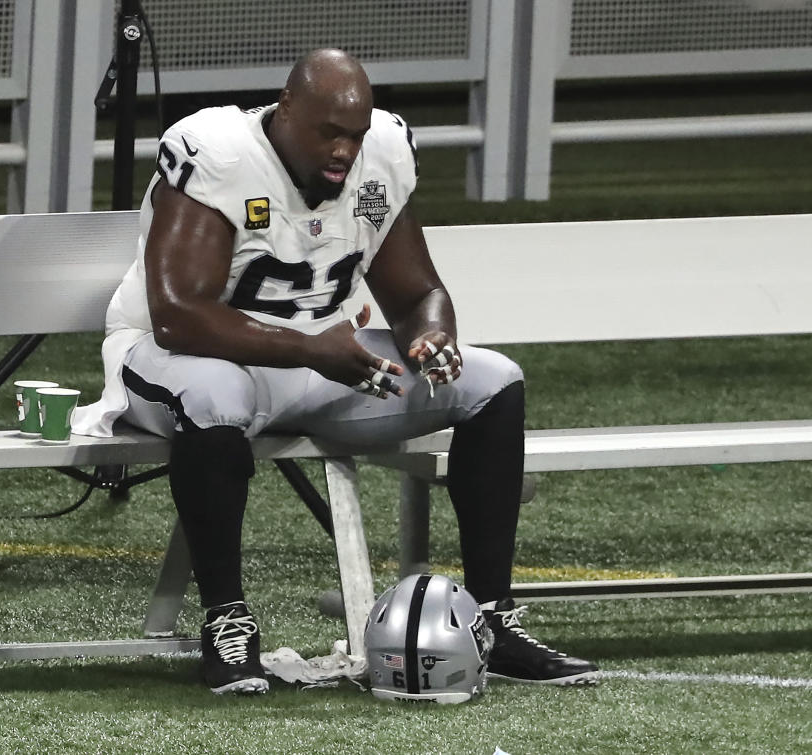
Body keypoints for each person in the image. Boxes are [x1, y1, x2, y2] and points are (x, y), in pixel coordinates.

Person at [73, 48, 598, 694]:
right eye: (329, 132)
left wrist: (432, 334)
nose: (345, 150)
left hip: (323, 358)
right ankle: (227, 623)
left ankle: (493, 619)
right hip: (187, 356)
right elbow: (179, 315)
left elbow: (415, 294)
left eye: (355, 134)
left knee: (493, 381)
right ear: (285, 108)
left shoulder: (381, 155)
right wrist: (313, 349)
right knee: (214, 393)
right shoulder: (220, 155)